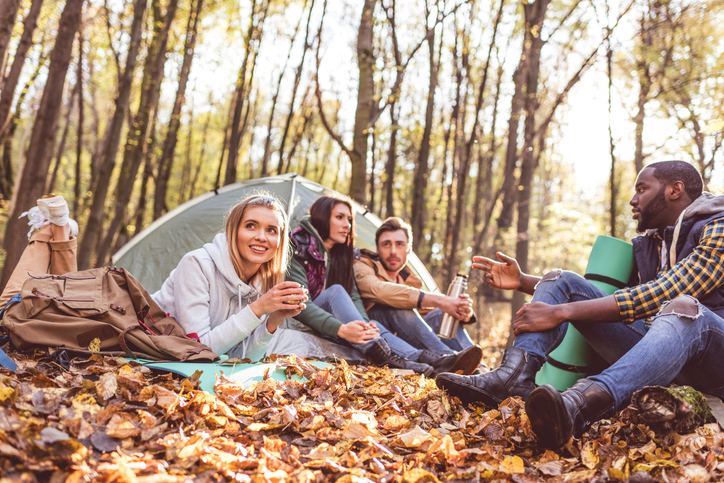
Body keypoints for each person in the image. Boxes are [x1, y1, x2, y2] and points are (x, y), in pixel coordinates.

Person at [436, 160, 724, 449]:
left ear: (675, 190)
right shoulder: (652, 244)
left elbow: (667, 292)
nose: (633, 199)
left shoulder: (718, 226)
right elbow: (607, 300)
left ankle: (579, 405)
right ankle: (513, 377)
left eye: (642, 189)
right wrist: (524, 281)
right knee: (561, 278)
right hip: (660, 354)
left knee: (684, 307)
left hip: (712, 358)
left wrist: (560, 312)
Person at [1, 193, 308, 362]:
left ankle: (60, 229)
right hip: (116, 323)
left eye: (272, 230)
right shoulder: (198, 264)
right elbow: (199, 349)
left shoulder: (261, 283)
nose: (262, 237)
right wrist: (257, 310)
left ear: (280, 241)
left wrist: (272, 319)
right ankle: (49, 230)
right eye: (251, 226)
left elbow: (245, 357)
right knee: (18, 304)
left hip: (117, 329)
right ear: (233, 231)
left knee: (56, 290)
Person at [287, 195, 472, 375]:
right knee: (337, 292)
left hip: (345, 321)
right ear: (322, 216)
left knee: (376, 321)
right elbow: (303, 305)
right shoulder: (300, 246)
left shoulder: (341, 255)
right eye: (340, 217)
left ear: (409, 248)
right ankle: (397, 355)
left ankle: (452, 362)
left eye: (349, 219)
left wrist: (366, 325)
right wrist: (343, 329)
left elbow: (353, 296)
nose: (347, 225)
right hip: (310, 319)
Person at [354, 216, 483, 374]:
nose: (393, 251)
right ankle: (450, 359)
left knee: (441, 314)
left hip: (406, 335)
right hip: (379, 332)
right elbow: (378, 289)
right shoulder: (363, 264)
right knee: (399, 304)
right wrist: (440, 300)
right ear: (378, 248)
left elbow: (424, 317)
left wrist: (459, 310)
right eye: (386, 244)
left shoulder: (410, 279)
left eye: (399, 244)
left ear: (409, 248)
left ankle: (481, 368)